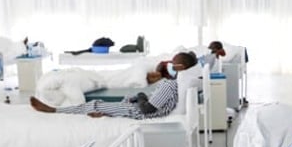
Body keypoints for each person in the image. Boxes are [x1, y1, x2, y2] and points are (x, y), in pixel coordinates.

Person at [30, 51, 197, 118]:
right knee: (102, 105)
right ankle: (105, 113)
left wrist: (140, 96)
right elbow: (155, 103)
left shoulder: (169, 86)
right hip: (138, 108)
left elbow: (148, 109)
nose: (169, 64)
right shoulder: (172, 84)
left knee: (95, 104)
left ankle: (55, 110)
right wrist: (141, 97)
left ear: (179, 68)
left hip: (138, 112)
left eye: (172, 62)